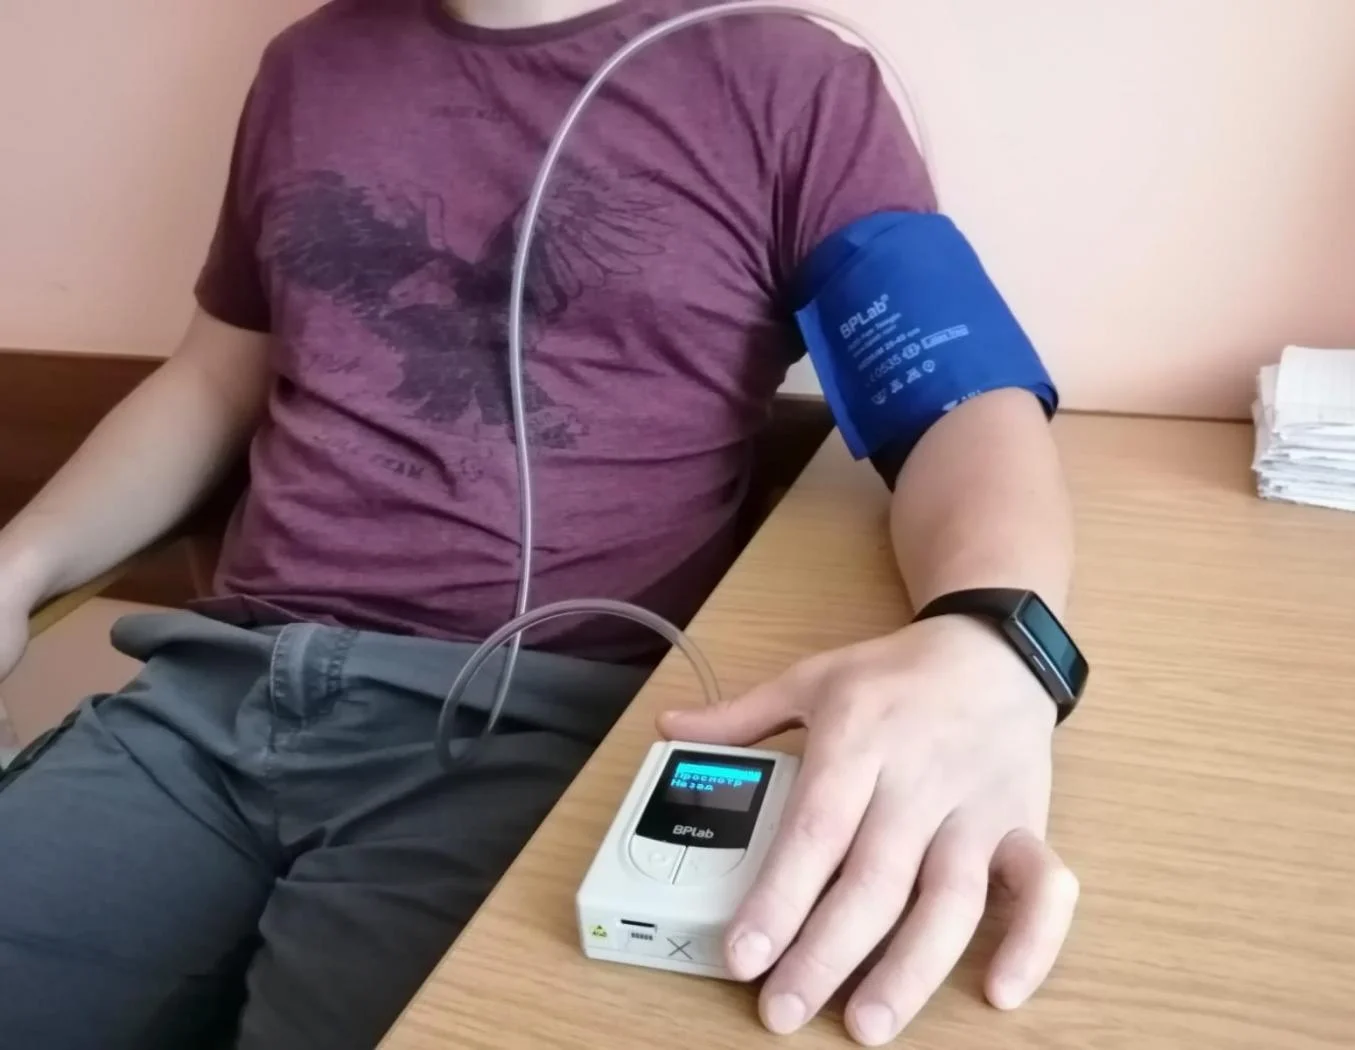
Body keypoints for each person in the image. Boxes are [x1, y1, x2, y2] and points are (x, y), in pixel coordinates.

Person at [0, 1, 1082, 1047]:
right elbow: (214, 377)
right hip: (212, 701)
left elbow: (957, 400)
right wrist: (20, 561)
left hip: (529, 729)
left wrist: (991, 639)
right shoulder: (308, 66)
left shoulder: (790, 81)